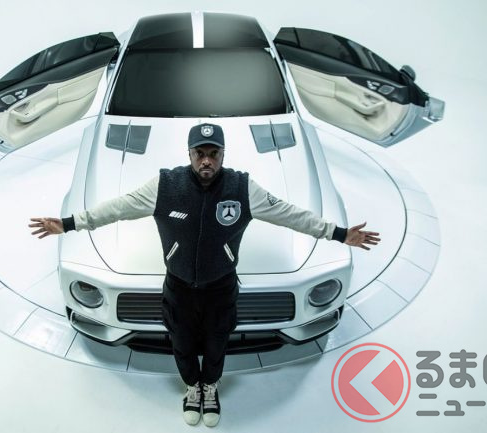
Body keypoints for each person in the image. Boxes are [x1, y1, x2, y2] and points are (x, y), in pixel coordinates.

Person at [28, 123, 380, 427]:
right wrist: (70, 223)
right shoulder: (165, 185)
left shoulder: (242, 189)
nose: (207, 161)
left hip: (220, 288)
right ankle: (191, 387)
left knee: (216, 343)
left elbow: (289, 214)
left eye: (213, 153)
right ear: (190, 154)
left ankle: (209, 387)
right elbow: (118, 207)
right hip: (179, 287)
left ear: (223, 154)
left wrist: (338, 233)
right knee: (181, 343)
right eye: (200, 153)